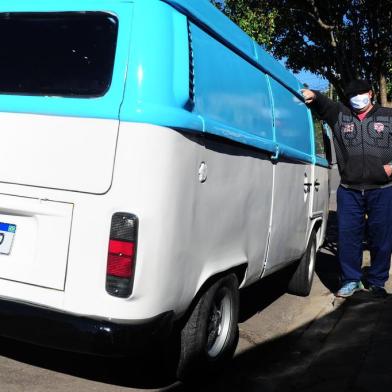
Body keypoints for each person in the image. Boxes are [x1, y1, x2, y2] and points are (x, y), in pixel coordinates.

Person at [302, 80, 392, 298]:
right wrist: (313, 94)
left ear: (371, 93)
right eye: (352, 94)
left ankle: (377, 282)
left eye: (361, 93)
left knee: (382, 237)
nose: (357, 97)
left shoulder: (388, 116)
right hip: (349, 189)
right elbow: (321, 103)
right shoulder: (340, 114)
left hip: (382, 188)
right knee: (348, 235)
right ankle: (351, 280)